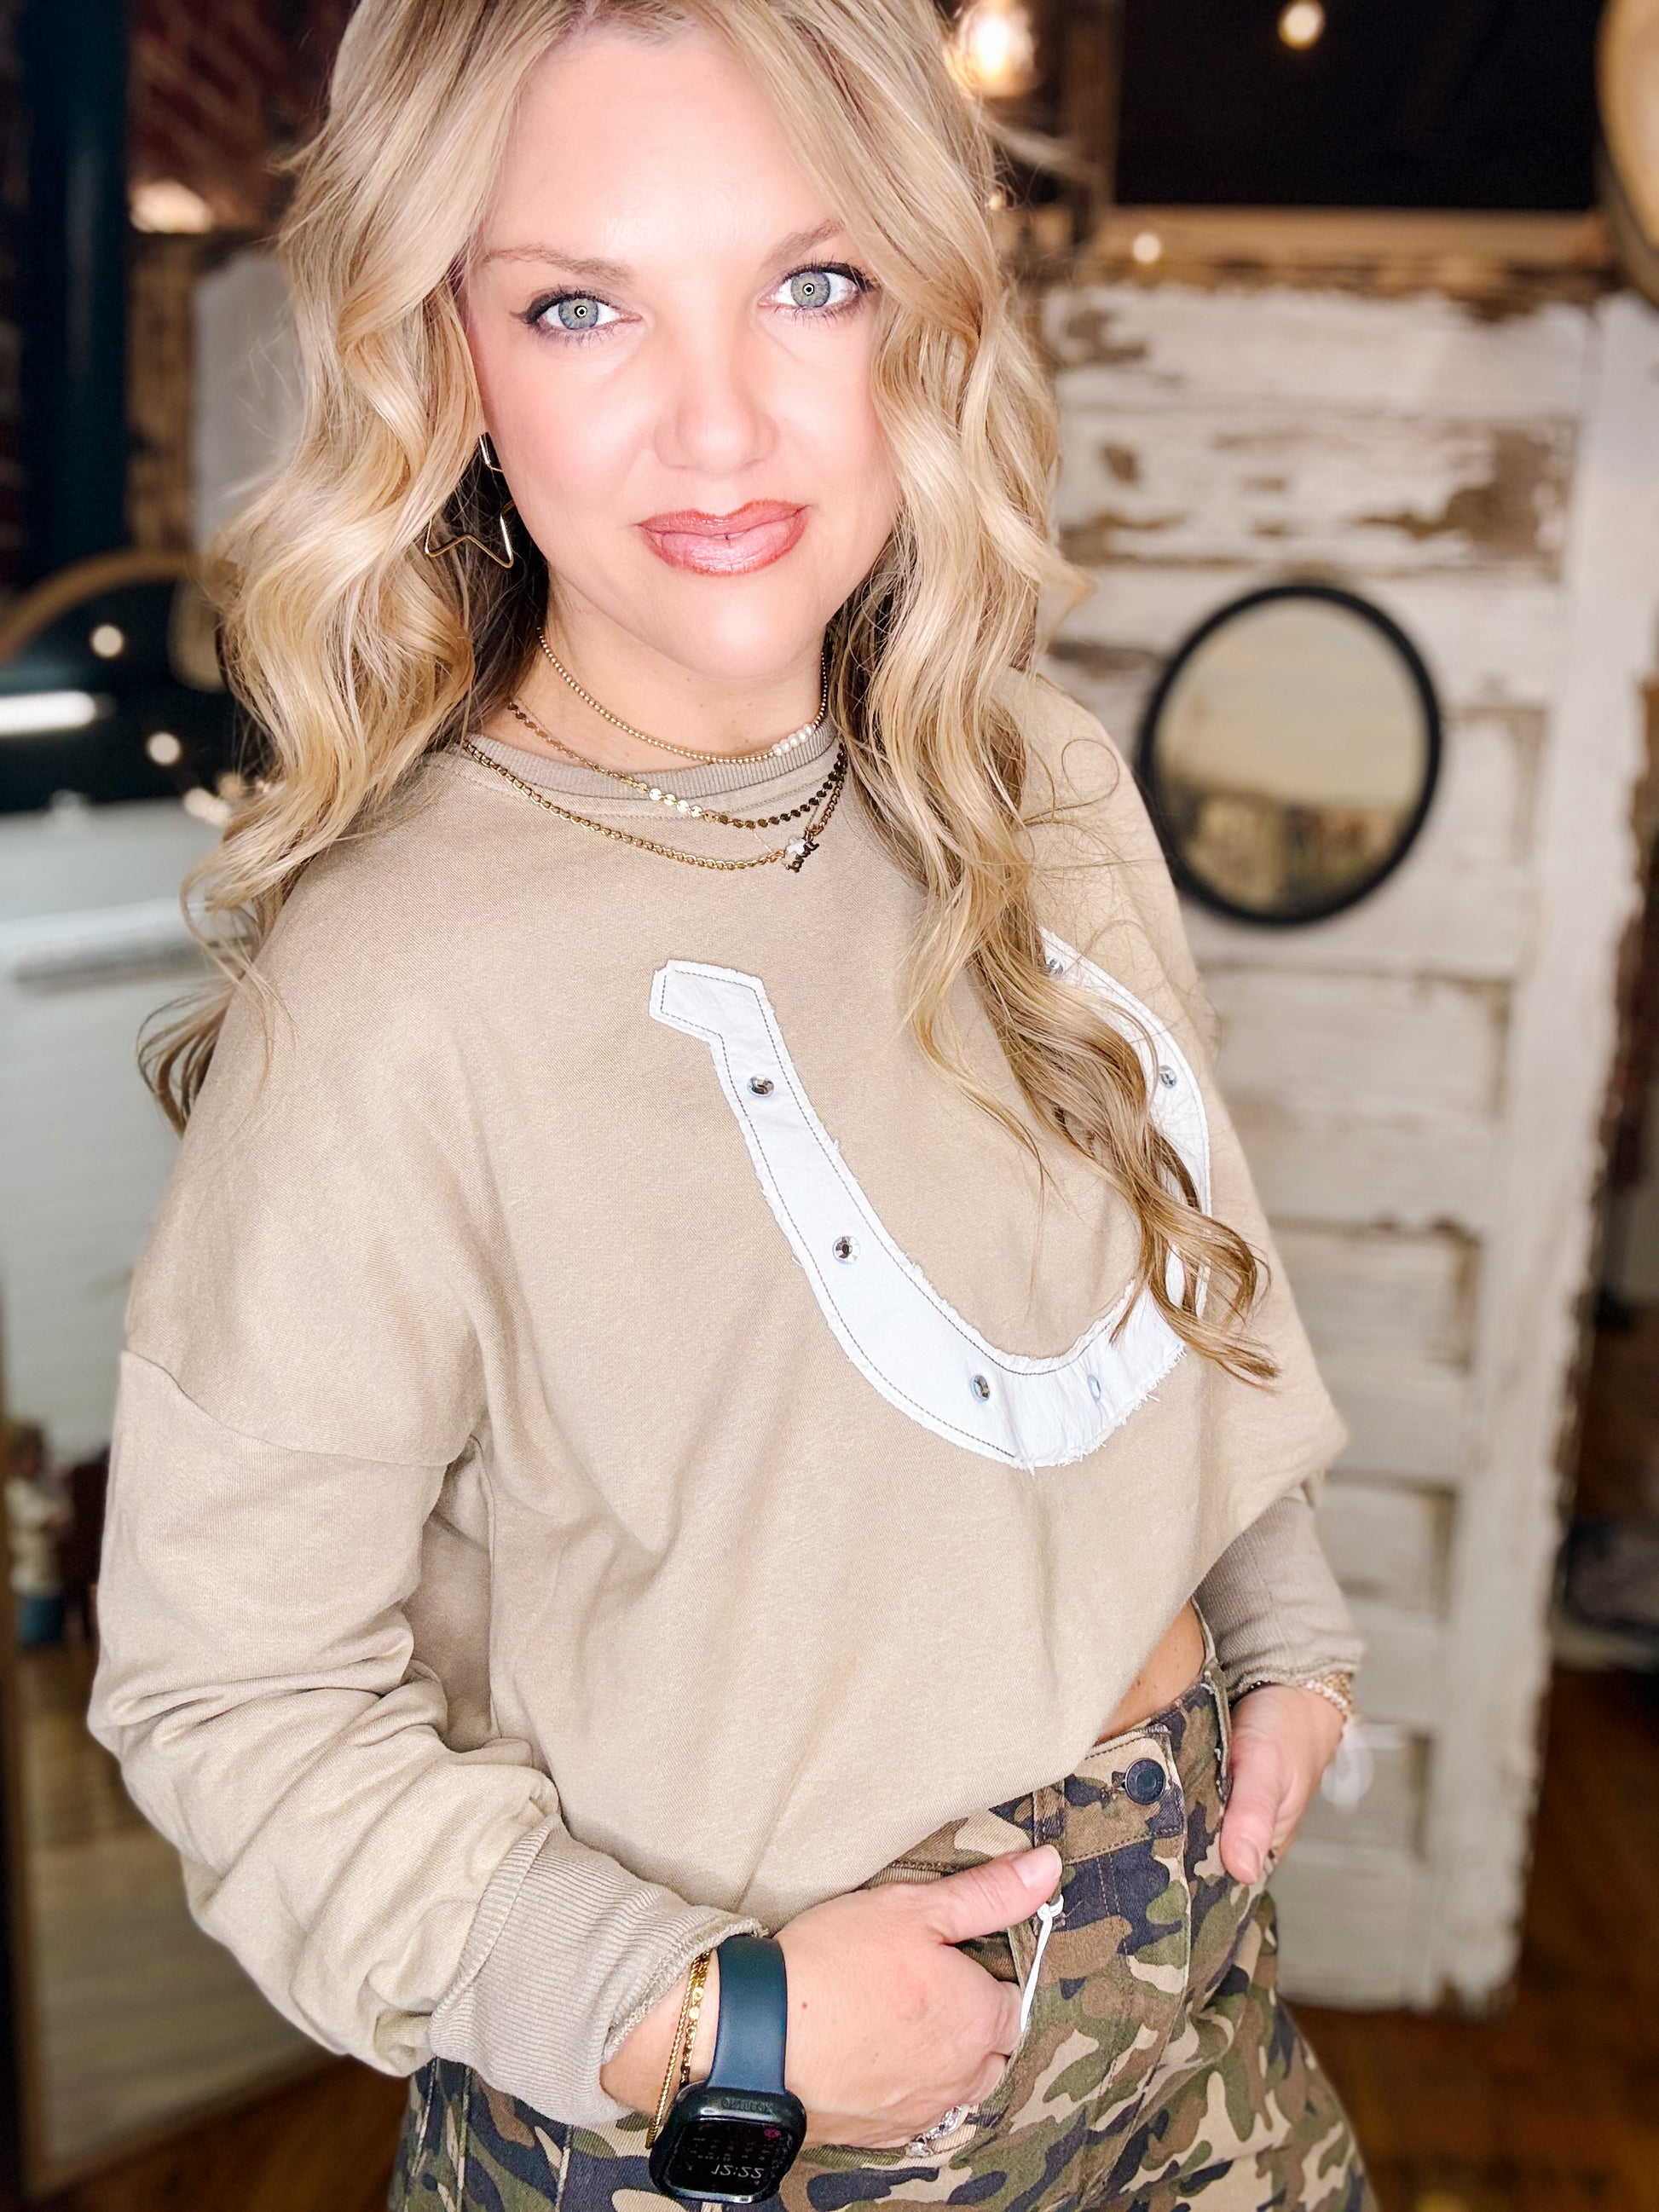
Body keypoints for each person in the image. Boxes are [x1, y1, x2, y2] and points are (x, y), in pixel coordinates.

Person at [89, 3, 1374, 2207]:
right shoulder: (398, 990)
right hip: (749, 2116)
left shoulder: (1036, 776)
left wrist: (1278, 1616)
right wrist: (716, 2023)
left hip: (1193, 2006)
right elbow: (228, 1696)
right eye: (580, 305)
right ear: (447, 355)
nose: (716, 419)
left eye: (811, 279)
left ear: (924, 301)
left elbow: (1157, 1266)